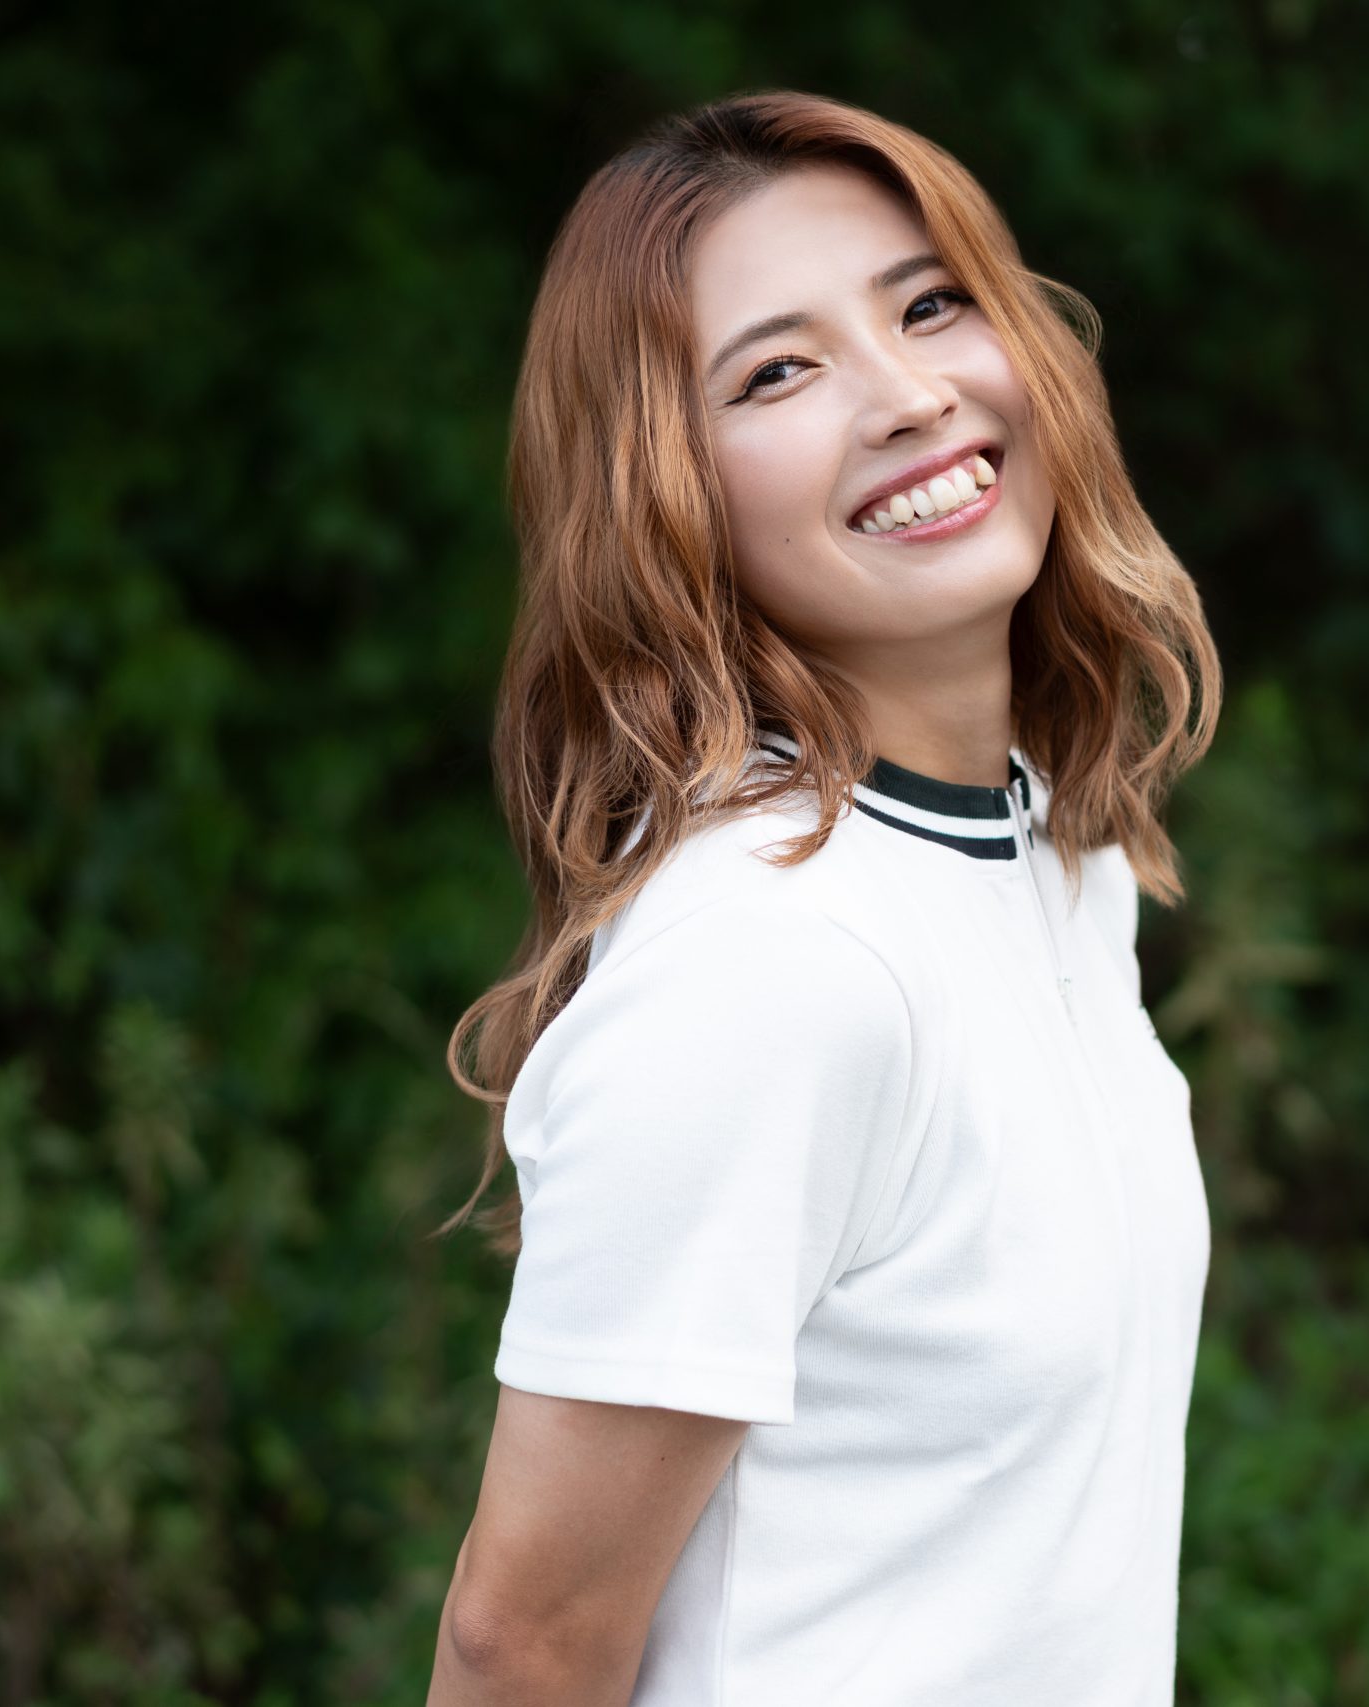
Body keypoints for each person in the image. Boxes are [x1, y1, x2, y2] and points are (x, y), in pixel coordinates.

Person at [425, 88, 1223, 1707]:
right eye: (776, 373)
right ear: (666, 494)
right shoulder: (770, 963)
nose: (912, 396)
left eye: (929, 306)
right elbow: (524, 1648)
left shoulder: (1056, 870)